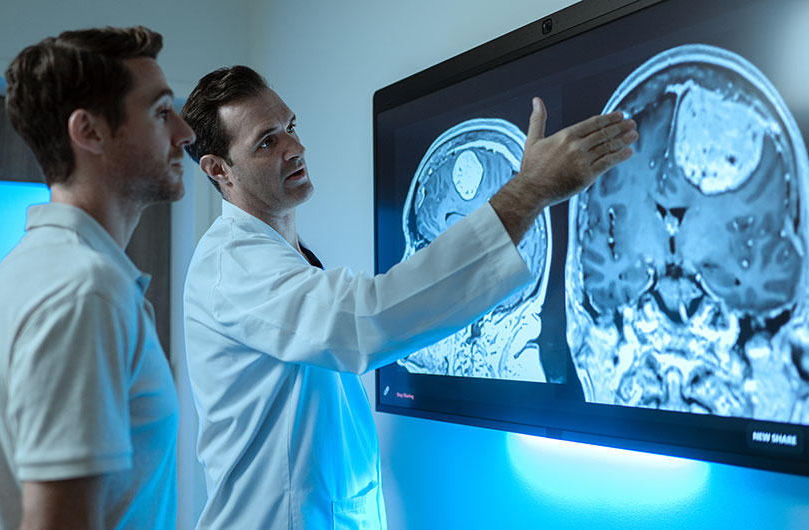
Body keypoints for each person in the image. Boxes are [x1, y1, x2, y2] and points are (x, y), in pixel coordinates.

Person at [180, 65, 637, 529]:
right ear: (219, 170)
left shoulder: (286, 257)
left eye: (290, 128)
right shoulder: (232, 265)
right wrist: (531, 190)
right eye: (266, 141)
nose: (295, 149)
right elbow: (366, 321)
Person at [0, 26, 195, 530]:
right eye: (161, 112)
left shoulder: (31, 269)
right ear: (89, 132)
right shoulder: (85, 291)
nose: (185, 134)